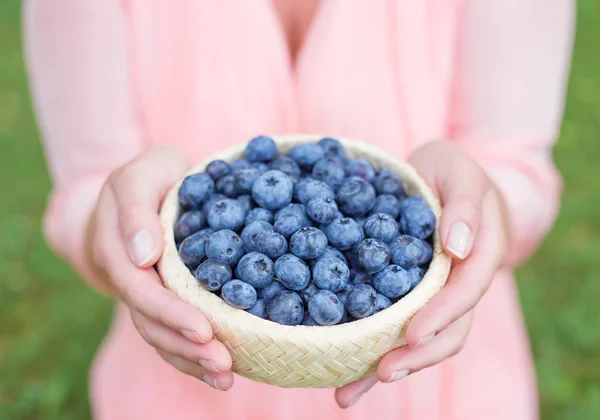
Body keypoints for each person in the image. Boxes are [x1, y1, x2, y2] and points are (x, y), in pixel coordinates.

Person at [24, 1, 574, 419]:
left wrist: (485, 208)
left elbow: (516, 169)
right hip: (183, 374)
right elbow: (85, 191)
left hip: (444, 383)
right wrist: (114, 225)